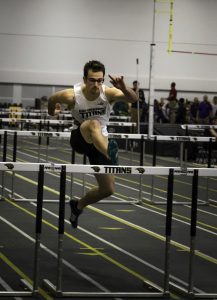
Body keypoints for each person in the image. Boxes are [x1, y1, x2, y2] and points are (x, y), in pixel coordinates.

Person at [48, 60, 138, 228]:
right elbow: (52, 99)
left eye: (99, 80)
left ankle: (78, 205)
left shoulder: (108, 93)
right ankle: (110, 154)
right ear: (84, 79)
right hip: (80, 138)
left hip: (100, 141)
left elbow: (134, 98)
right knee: (93, 123)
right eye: (92, 80)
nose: (96, 84)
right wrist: (53, 112)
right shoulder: (72, 95)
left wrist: (124, 87)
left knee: (108, 190)